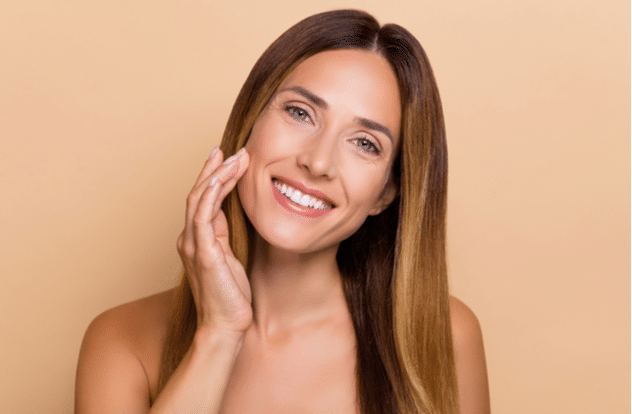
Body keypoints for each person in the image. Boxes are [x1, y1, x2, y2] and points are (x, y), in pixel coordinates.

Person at [75, 9, 490, 414]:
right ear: (249, 124)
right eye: (300, 113)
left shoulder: (446, 337)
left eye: (365, 143)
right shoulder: (122, 341)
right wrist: (219, 334)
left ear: (386, 194)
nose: (318, 162)